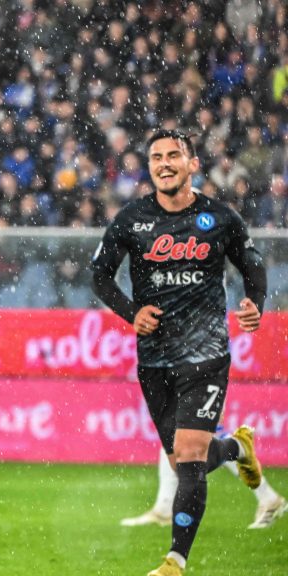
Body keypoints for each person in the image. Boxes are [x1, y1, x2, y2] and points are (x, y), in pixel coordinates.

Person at [91, 129, 268, 576]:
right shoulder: (132, 219)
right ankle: (236, 448)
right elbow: (100, 275)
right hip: (154, 359)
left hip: (207, 353)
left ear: (192, 164)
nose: (165, 163)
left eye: (174, 155)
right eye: (156, 157)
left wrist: (255, 303)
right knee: (184, 461)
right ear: (149, 167)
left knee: (189, 455)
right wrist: (132, 313)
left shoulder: (220, 218)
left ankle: (175, 560)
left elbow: (253, 264)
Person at [122, 438, 286, 530]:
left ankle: (268, 497)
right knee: (175, 437)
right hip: (198, 389)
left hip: (203, 389)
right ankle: (164, 509)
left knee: (208, 438)